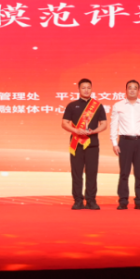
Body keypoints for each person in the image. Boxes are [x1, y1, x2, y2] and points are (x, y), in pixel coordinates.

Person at [61, 79, 108, 210]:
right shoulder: (72, 105)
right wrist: (75, 130)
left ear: (91, 89)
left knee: (92, 173)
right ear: (79, 89)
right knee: (77, 173)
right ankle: (78, 200)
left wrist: (94, 131)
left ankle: (91, 200)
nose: (86, 90)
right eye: (83, 88)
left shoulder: (98, 106)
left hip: (92, 144)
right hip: (76, 144)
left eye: (88, 88)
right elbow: (64, 123)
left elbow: (104, 124)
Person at [109, 79, 140, 210]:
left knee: (139, 173)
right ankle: (123, 201)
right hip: (124, 142)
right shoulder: (118, 105)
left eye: (135, 88)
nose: (132, 90)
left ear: (139, 90)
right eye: (130, 87)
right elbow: (113, 124)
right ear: (126, 90)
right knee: (124, 173)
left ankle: (139, 201)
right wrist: (114, 143)